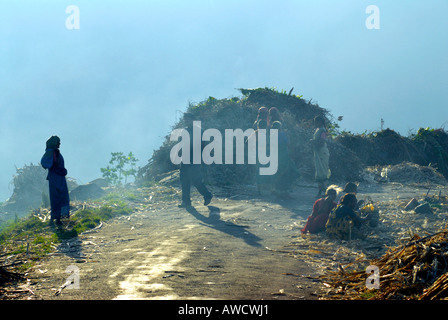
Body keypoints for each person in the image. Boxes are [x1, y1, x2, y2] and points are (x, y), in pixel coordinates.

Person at [178, 112, 213, 208]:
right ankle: (186, 202)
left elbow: (203, 146)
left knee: (196, 180)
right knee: (184, 180)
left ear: (193, 120)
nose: (186, 121)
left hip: (195, 159)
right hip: (185, 159)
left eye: (187, 119)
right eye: (185, 119)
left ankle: (207, 195)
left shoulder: (199, 131)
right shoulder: (184, 131)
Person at [40, 136, 70, 227]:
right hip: (56, 179)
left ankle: (59, 218)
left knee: (60, 196)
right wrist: (56, 169)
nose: (59, 144)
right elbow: (45, 163)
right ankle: (56, 219)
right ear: (54, 143)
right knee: (57, 197)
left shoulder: (54, 152)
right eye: (58, 142)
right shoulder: (51, 152)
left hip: (58, 178)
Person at [271, 120, 300, 197]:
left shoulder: (272, 135)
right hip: (284, 156)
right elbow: (287, 143)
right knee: (287, 173)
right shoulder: (282, 135)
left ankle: (278, 190)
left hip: (276, 156)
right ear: (280, 127)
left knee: (278, 173)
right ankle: (285, 191)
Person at [312, 116, 331, 198]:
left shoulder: (322, 131)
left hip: (322, 152)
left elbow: (322, 142)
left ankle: (324, 191)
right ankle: (321, 190)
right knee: (319, 170)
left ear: (321, 122)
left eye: (317, 122)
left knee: (323, 171)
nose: (315, 124)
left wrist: (314, 142)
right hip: (318, 153)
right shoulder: (318, 130)